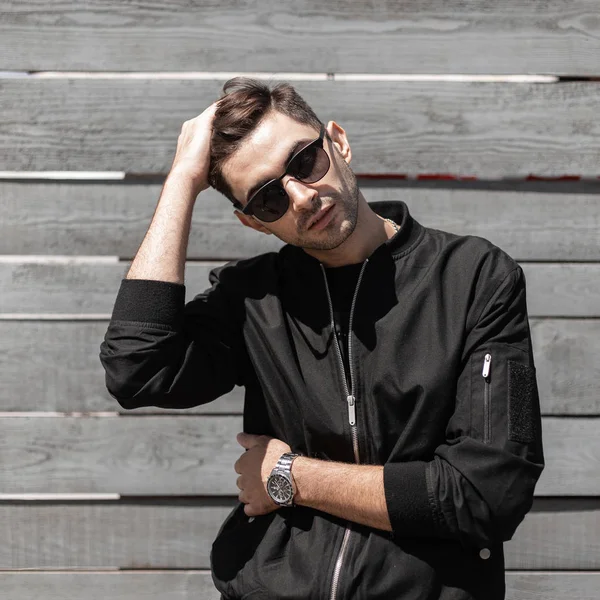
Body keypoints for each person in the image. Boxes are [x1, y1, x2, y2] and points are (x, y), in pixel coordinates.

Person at [99, 77, 545, 599]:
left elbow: (484, 495)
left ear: (338, 140)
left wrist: (291, 477)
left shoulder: (473, 277)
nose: (302, 196)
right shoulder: (254, 300)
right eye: (268, 199)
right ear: (253, 223)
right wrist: (181, 180)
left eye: (304, 160)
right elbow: (136, 368)